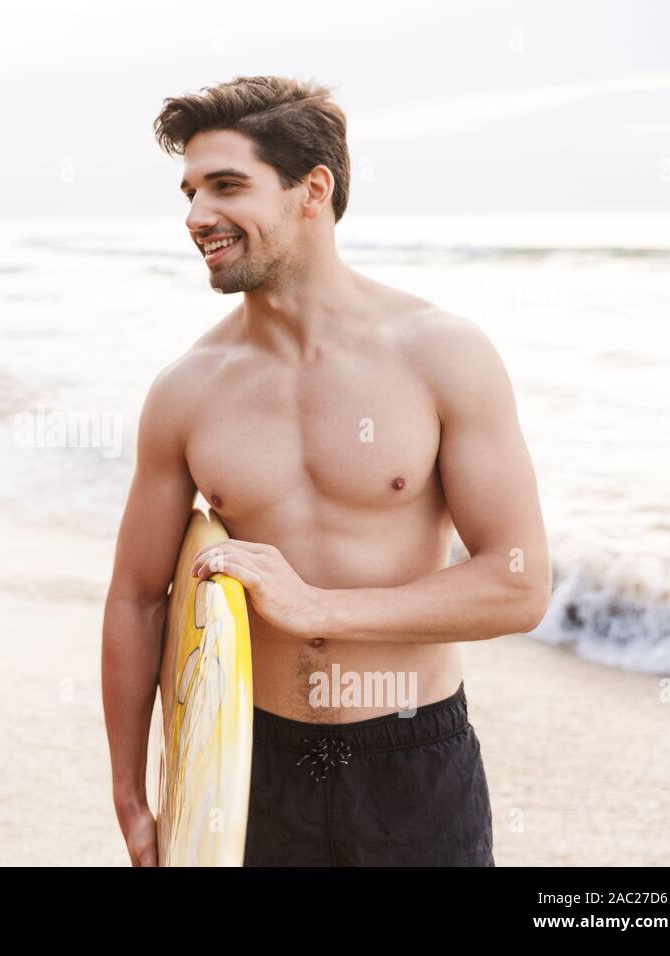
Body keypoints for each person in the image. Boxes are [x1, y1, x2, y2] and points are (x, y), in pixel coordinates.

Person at [101, 76, 551, 866]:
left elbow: (517, 585)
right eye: (191, 190)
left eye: (227, 185)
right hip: (247, 767)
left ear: (314, 190)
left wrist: (317, 607)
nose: (197, 215)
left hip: (412, 761)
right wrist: (134, 795)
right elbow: (138, 598)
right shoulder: (187, 391)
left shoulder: (441, 354)